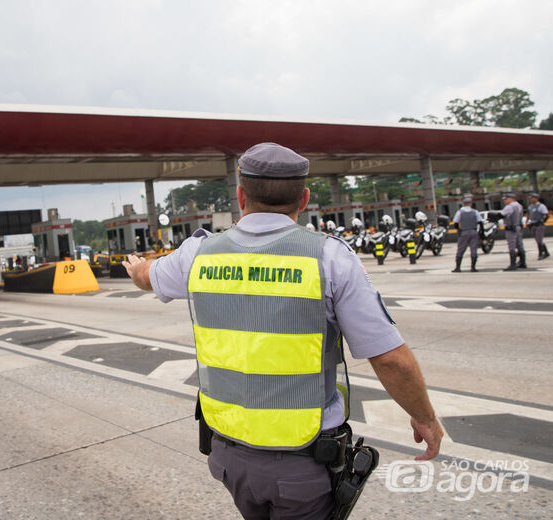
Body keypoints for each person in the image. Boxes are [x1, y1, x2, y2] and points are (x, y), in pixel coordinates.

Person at [122, 143, 443, 519]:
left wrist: (136, 269)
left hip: (228, 457)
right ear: (303, 198)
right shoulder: (329, 257)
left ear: (241, 195)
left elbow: (148, 277)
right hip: (302, 464)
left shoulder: (199, 254)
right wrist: (425, 417)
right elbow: (389, 357)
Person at [451, 196, 482, 272]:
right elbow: (480, 222)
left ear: (463, 204)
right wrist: (481, 232)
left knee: (460, 249)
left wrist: (459, 230)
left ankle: (458, 267)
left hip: (464, 232)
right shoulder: (475, 212)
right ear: (470, 203)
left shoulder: (459, 212)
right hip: (473, 231)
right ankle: (473, 268)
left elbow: (455, 223)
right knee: (474, 249)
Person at [497, 193, 526, 271]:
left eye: (506, 199)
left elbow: (501, 214)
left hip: (511, 229)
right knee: (520, 245)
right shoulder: (519, 205)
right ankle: (523, 262)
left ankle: (513, 264)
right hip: (518, 227)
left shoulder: (509, 206)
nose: (504, 200)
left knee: (511, 246)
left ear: (511, 198)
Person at [527, 193, 550, 260]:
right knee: (537, 240)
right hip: (533, 225)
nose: (530, 199)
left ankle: (540, 254)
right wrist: (528, 223)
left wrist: (543, 221)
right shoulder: (530, 206)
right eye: (530, 198)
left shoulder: (541, 206)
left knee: (539, 240)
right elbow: (529, 215)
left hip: (539, 225)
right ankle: (546, 252)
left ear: (536, 198)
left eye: (532, 198)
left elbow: (546, 214)